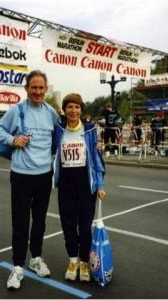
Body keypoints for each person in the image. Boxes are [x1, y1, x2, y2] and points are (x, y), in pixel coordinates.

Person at [0, 70, 60, 289]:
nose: (38, 92)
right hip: (21, 175)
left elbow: (64, 135)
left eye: (41, 88)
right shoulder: (18, 110)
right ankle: (18, 266)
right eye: (34, 87)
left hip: (44, 175)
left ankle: (36, 259)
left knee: (39, 221)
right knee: (20, 222)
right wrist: (13, 139)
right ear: (27, 89)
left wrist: (91, 141)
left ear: (46, 89)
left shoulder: (51, 113)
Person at [52, 93, 106, 282]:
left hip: (85, 184)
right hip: (66, 184)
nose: (73, 111)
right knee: (67, 225)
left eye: (76, 107)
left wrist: (100, 184)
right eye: (69, 107)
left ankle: (84, 262)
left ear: (81, 110)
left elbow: (96, 159)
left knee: (84, 226)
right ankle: (73, 260)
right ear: (64, 110)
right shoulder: (58, 129)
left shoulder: (90, 130)